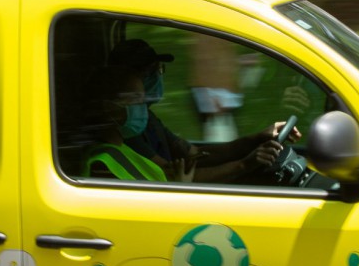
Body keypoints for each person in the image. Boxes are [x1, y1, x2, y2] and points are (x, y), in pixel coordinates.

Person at [109, 37, 295, 183]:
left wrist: (256, 138)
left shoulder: (147, 118)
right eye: (151, 71)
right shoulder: (128, 130)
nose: (158, 76)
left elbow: (195, 155)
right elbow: (173, 175)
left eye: (160, 69)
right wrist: (244, 164)